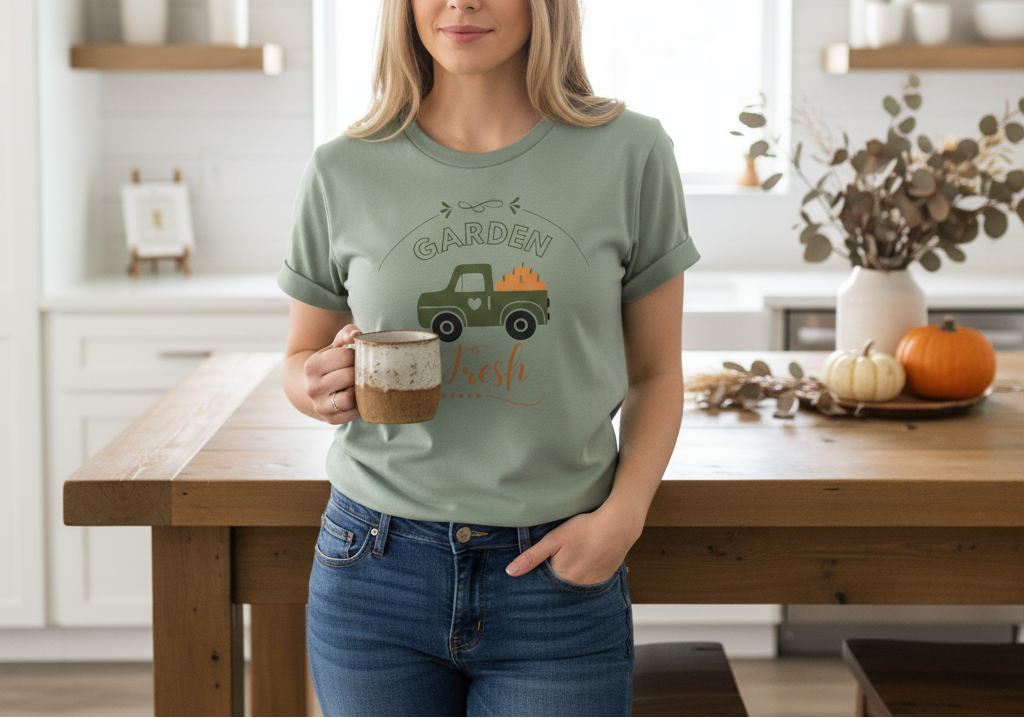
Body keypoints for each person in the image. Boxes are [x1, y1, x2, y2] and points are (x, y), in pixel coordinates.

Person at [277, 0, 700, 715]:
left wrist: (623, 518)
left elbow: (656, 373)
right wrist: (313, 384)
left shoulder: (632, 152)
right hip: (373, 566)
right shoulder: (341, 169)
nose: (462, 2)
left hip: (557, 574)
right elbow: (299, 358)